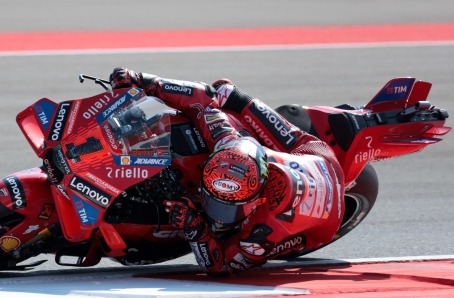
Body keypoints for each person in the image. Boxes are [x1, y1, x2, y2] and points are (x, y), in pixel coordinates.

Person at [109, 67, 345, 277]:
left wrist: (195, 229)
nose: (218, 215)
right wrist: (144, 80)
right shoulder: (226, 139)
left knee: (251, 249)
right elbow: (203, 98)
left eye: (227, 207)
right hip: (311, 159)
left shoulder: (264, 228)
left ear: (258, 199)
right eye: (214, 201)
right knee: (226, 93)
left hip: (325, 207)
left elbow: (221, 266)